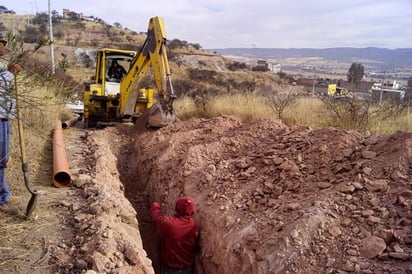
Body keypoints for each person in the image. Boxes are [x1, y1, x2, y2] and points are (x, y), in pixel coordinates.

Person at [0, 33, 21, 212]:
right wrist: (10, 73)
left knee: (2, 159)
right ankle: (2, 200)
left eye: (5, 42)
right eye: (2, 42)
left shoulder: (1, 66)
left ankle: (4, 195)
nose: (4, 45)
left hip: (4, 117)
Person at [151, 196, 199, 274]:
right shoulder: (194, 225)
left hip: (169, 268)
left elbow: (157, 217)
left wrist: (155, 205)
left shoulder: (170, 224)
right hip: (186, 269)